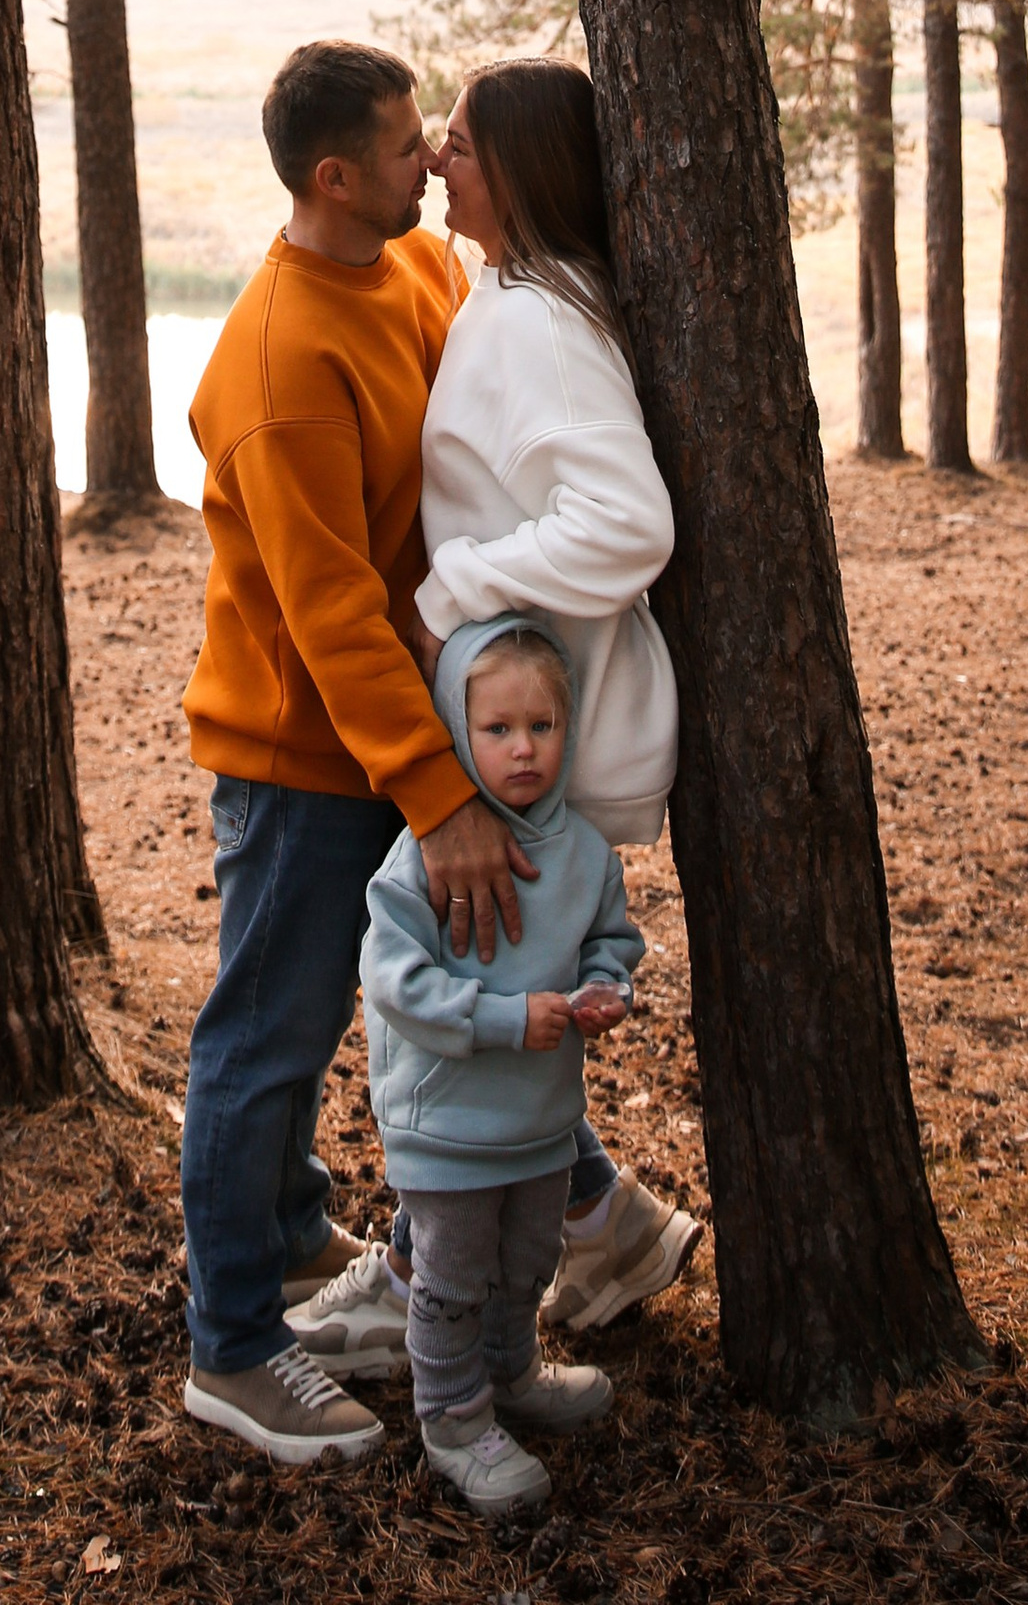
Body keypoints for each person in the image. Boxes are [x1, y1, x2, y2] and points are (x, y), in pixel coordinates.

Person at [291, 56, 699, 1380]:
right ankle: (589, 1220)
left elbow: (628, 524)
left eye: (458, 144)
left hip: (526, 742)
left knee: (444, 1008)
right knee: (480, 996)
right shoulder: (509, 295)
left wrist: (451, 586)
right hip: (512, 721)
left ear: (514, 172)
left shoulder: (532, 322)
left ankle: (433, 1278)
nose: (437, 163)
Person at [178, 38, 537, 1467]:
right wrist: (440, 793)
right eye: (408, 148)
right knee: (264, 1037)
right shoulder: (282, 359)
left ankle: (279, 1221)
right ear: (337, 177)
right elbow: (328, 612)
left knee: (319, 1023)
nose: (431, 164)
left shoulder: (411, 271)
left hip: (381, 737)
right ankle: (235, 1349)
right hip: (297, 759)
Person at [361, 617, 642, 1518]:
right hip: (448, 1119)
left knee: (530, 1254)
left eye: (543, 727)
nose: (523, 749)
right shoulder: (424, 855)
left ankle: (512, 1372)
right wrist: (501, 1018)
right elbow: (392, 980)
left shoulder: (589, 856)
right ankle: (450, 1417)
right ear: (457, 729)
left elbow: (612, 942)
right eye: (497, 730)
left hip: (542, 1116)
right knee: (453, 1269)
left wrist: (605, 989)